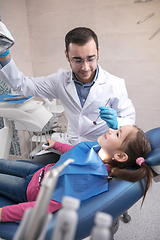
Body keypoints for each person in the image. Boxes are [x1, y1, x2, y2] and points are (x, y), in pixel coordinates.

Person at [0, 27, 135, 163]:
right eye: (77, 60)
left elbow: (129, 120)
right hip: (70, 145)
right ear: (67, 56)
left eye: (90, 59)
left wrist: (117, 122)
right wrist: (4, 54)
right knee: (30, 166)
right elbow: (22, 85)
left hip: (98, 152)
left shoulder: (115, 84)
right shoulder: (60, 81)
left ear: (98, 52)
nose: (85, 67)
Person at [0, 125, 153, 222]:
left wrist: (3, 214)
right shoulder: (96, 149)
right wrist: (56, 145)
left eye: (117, 134)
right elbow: (75, 152)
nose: (110, 130)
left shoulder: (89, 178)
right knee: (4, 163)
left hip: (30, 190)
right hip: (40, 173)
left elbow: (45, 206)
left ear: (120, 156)